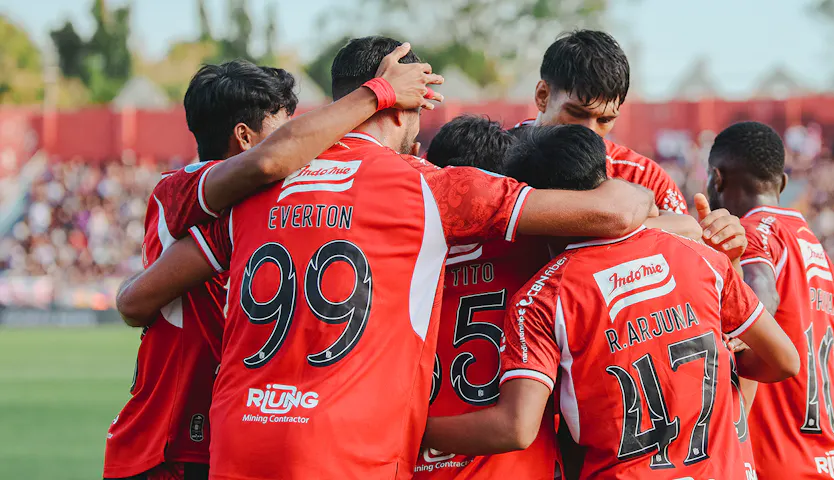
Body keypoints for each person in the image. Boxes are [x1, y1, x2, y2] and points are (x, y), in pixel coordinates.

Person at [114, 36, 660, 480]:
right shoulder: (424, 188)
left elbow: (136, 298)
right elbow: (611, 215)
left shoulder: (256, 185)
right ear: (405, 108)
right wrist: (654, 207)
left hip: (240, 440)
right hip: (352, 447)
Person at [103, 51, 444, 480]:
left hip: (219, 433)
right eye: (286, 127)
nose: (303, 139)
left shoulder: (252, 201)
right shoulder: (188, 186)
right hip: (168, 441)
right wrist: (379, 93)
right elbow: (133, 304)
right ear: (245, 138)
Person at [422, 124, 801, 480]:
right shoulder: (700, 256)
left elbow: (517, 426)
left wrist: (413, 430)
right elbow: (785, 360)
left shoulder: (544, 295)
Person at [706, 121, 834, 479]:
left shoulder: (753, 234)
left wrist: (741, 327)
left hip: (778, 463)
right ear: (782, 184)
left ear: (717, 179)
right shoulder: (818, 251)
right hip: (828, 460)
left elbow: (760, 292)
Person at [516, 30, 689, 215]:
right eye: (576, 113)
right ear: (542, 96)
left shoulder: (645, 178)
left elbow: (690, 236)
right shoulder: (493, 162)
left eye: (604, 120)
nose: (590, 132)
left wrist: (716, 238)